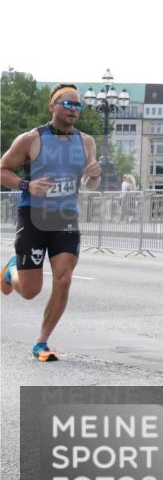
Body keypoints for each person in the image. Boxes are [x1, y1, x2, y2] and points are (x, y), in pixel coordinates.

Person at [0, 83, 102, 361]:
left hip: (66, 217)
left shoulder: (86, 142)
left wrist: (94, 174)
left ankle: (42, 342)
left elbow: (90, 185)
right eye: (67, 103)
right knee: (31, 291)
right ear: (52, 106)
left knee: (64, 278)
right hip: (33, 216)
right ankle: (11, 272)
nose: (73, 109)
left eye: (77, 105)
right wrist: (26, 184)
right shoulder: (30, 140)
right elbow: (2, 169)